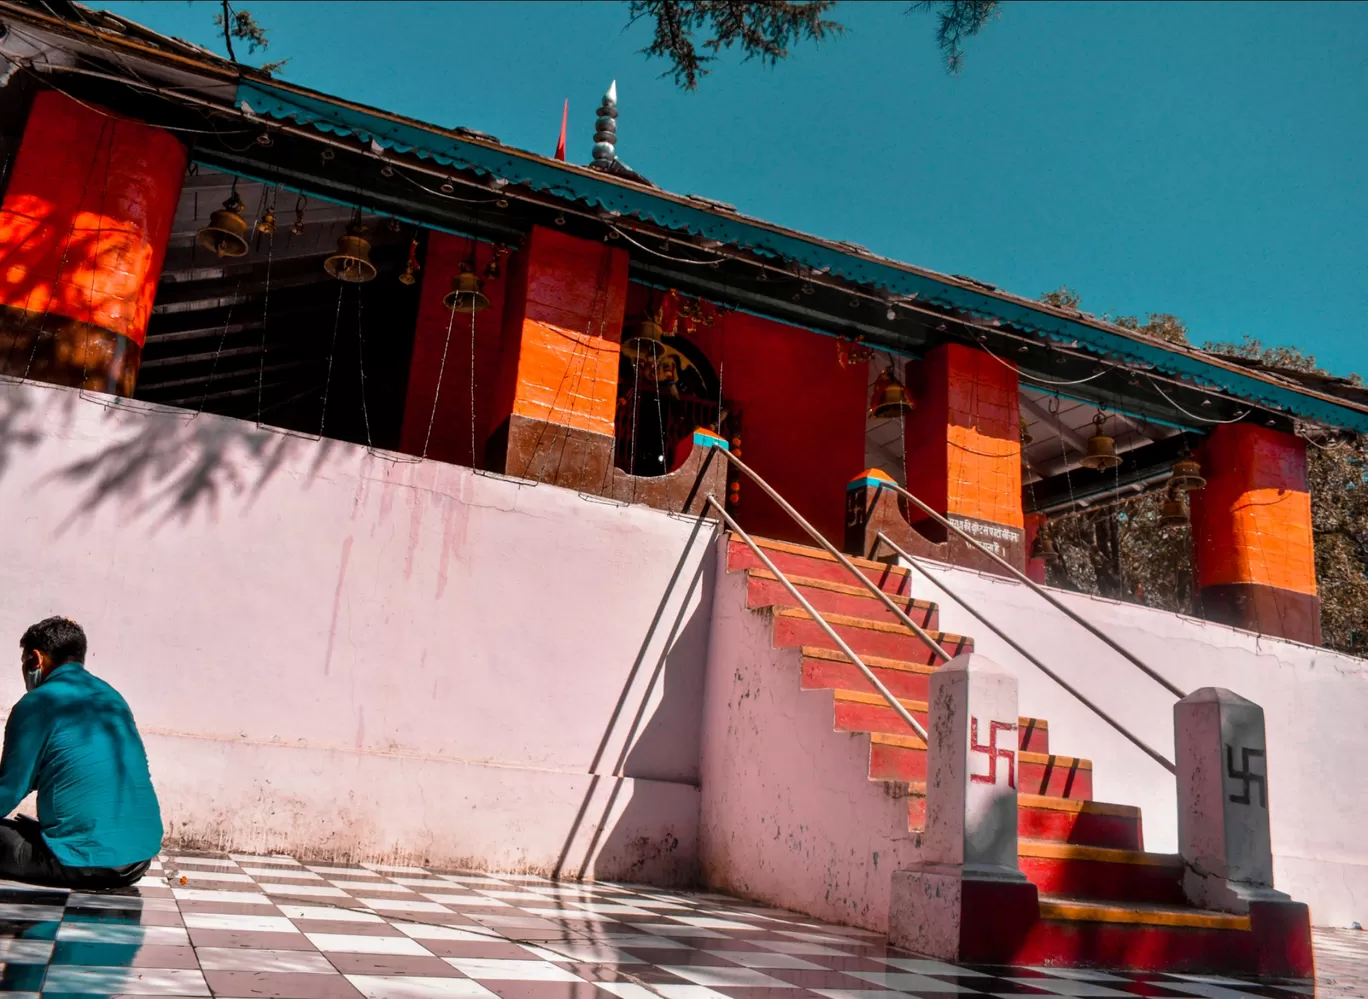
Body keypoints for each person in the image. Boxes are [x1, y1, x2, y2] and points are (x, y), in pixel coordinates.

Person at [0, 617, 162, 888]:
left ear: (35, 659)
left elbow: (9, 790)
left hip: (82, 862)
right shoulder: (111, 698)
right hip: (137, 861)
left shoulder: (38, 703)